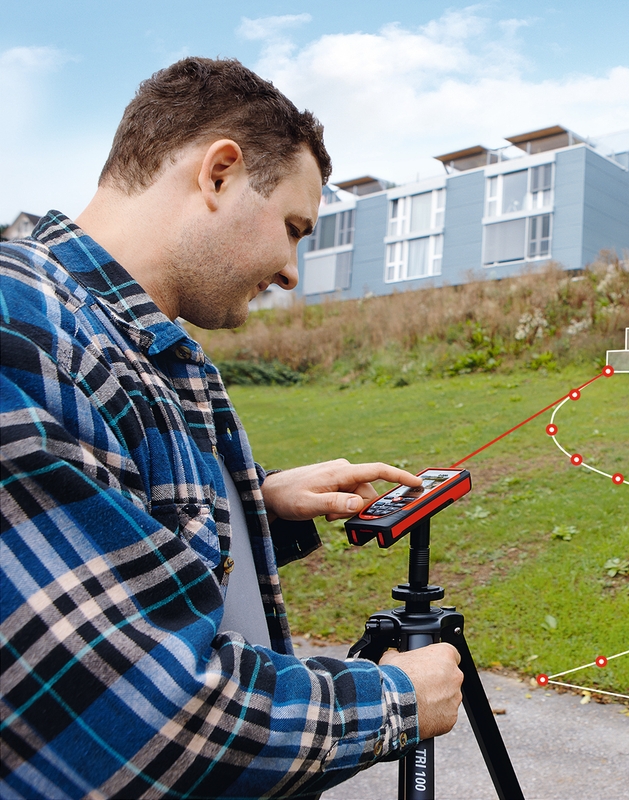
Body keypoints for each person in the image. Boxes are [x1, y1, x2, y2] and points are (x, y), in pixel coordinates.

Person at [0, 57, 463, 798]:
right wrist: (395, 700)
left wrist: (257, 510)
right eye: (293, 228)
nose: (290, 271)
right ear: (218, 174)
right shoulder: (23, 333)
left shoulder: (134, 343)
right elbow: (140, 718)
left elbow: (106, 553)